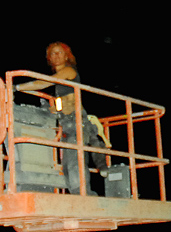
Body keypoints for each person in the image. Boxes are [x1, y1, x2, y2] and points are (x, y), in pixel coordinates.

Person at [15, 42, 108, 195]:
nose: (56, 56)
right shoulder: (60, 84)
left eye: (59, 53)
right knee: (67, 165)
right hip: (67, 124)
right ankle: (79, 193)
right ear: (49, 58)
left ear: (66, 56)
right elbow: (63, 104)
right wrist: (49, 109)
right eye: (52, 53)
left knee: (74, 162)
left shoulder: (68, 71)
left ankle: (84, 195)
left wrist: (17, 87)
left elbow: (43, 82)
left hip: (77, 122)